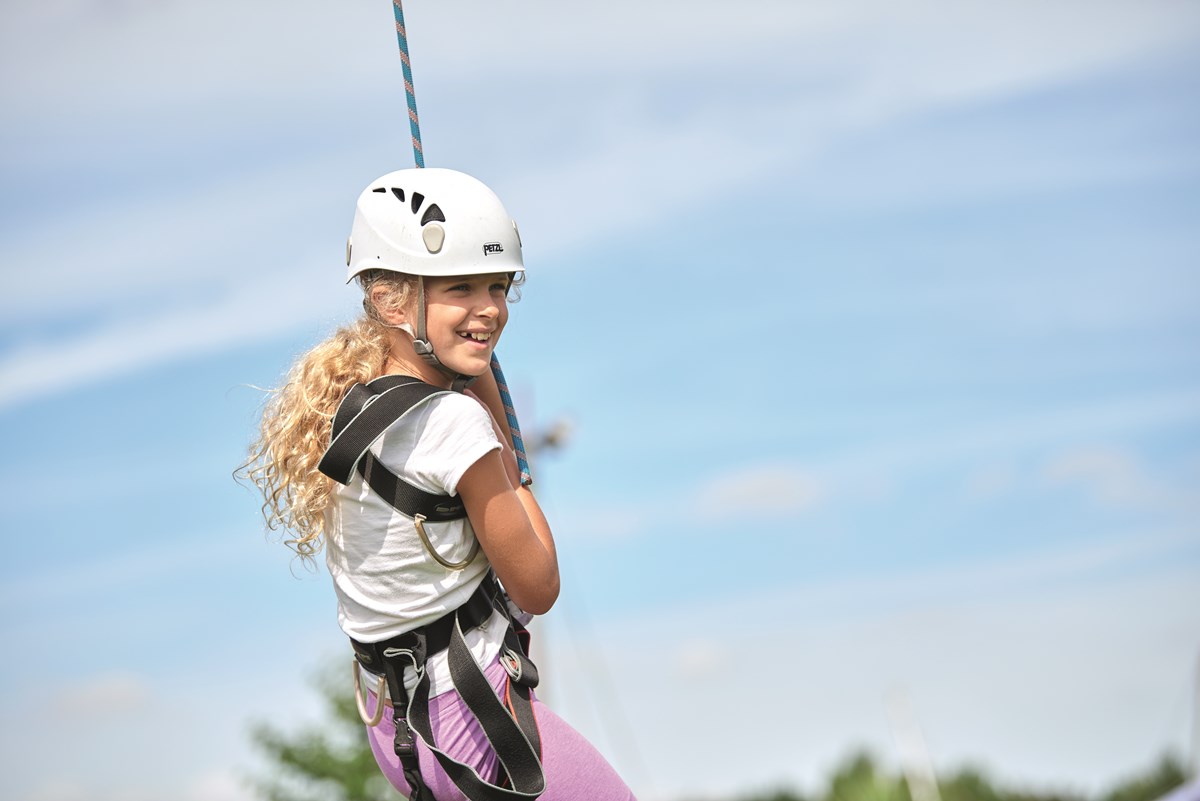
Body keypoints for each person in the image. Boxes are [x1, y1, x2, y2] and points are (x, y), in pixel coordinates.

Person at [245, 167, 635, 801]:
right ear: (393, 300)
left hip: (396, 722)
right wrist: (514, 465)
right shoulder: (454, 424)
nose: (490, 309)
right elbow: (537, 586)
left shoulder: (350, 400)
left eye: (499, 287)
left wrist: (464, 355)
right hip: (470, 717)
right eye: (462, 287)